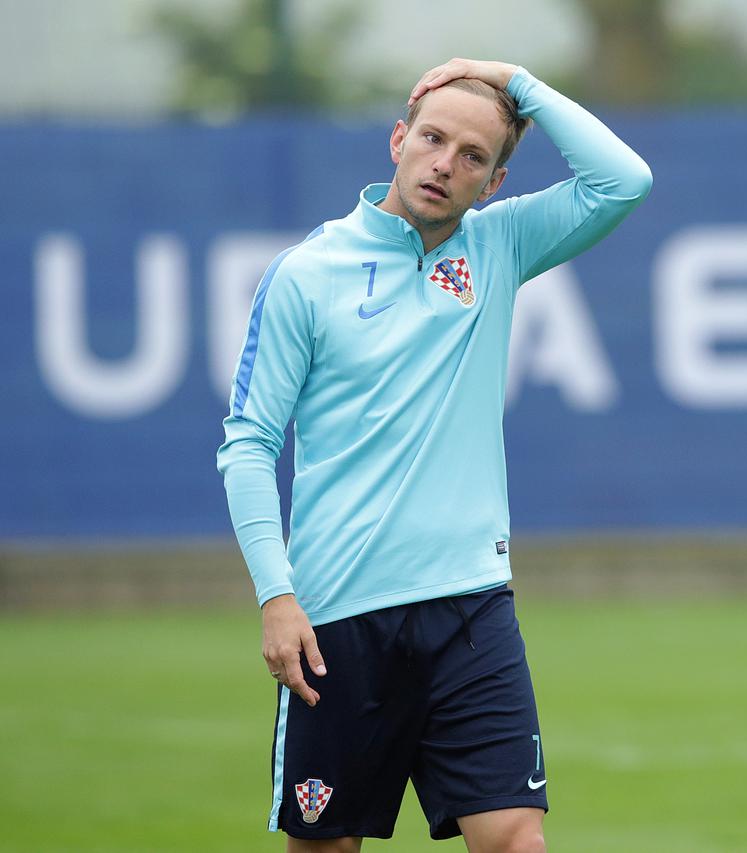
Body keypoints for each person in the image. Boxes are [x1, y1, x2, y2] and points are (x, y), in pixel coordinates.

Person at [216, 57, 652, 852]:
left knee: (517, 839)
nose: (446, 163)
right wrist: (276, 595)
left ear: (492, 182)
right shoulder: (306, 277)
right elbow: (249, 443)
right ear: (398, 140)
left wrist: (516, 81)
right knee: (324, 846)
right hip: (337, 615)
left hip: (470, 606)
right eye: (434, 138)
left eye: (474, 156)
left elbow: (622, 181)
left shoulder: (499, 245)